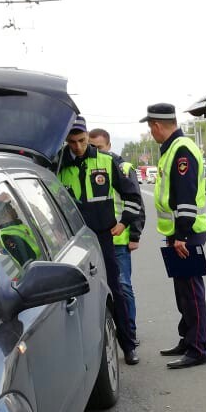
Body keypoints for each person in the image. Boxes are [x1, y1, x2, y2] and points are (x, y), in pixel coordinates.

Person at [57, 115, 141, 365]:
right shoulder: (59, 164)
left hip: (104, 238)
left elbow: (133, 197)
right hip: (73, 241)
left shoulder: (107, 161)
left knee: (116, 290)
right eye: (72, 142)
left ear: (87, 137)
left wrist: (124, 222)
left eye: (82, 141)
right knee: (76, 296)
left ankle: (128, 345)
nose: (78, 147)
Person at [142, 103, 206, 369]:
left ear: (157, 125)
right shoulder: (172, 149)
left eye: (150, 128)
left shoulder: (181, 151)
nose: (151, 133)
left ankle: (197, 348)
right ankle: (187, 339)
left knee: (192, 293)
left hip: (186, 235)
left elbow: (186, 197)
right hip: (177, 235)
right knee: (182, 292)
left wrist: (181, 234)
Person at [89, 127, 142, 329]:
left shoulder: (122, 167)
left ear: (109, 146)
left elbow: (136, 204)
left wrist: (134, 234)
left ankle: (129, 331)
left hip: (119, 239)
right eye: (92, 147)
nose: (96, 151)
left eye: (100, 147)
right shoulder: (86, 167)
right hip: (95, 240)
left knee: (123, 287)